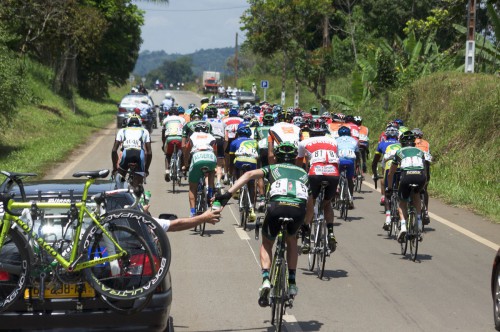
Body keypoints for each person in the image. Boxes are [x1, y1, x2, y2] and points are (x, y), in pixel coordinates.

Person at [215, 142, 309, 302]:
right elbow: (311, 204)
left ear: (276, 157)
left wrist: (227, 195)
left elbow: (248, 175)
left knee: (267, 243)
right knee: (292, 240)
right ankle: (292, 282)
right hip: (298, 209)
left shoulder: (272, 169)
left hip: (277, 207)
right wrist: (306, 224)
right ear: (295, 159)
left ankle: (266, 279)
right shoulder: (304, 173)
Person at [296, 118, 339, 253]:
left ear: (310, 132)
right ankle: (331, 232)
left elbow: (299, 165)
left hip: (315, 173)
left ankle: (307, 239)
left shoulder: (303, 142)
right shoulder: (333, 141)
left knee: (310, 205)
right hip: (333, 174)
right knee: (327, 204)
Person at [387, 131, 426, 242]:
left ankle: (403, 227)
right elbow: (425, 171)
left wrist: (389, 188)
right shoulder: (420, 151)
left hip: (407, 177)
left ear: (401, 142)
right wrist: (423, 186)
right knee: (416, 195)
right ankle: (418, 222)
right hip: (420, 177)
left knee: (402, 202)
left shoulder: (399, 152)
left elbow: (391, 173)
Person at [111, 114, 152, 197]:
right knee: (138, 187)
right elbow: (149, 152)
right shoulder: (145, 131)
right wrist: (146, 169)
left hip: (126, 154)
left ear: (128, 122)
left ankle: (120, 195)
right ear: (140, 122)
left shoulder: (122, 131)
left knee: (119, 179)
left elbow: (114, 150)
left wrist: (115, 169)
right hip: (139, 155)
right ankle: (138, 199)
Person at [184, 122, 217, 217]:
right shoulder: (211, 136)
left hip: (197, 157)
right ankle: (210, 191)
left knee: (192, 187)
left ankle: (192, 212)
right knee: (211, 170)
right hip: (210, 156)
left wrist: (185, 164)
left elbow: (186, 150)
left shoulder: (192, 136)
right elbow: (215, 152)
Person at [372, 125, 401, 229]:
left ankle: (388, 219)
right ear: (397, 135)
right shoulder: (401, 144)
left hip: (389, 168)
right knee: (400, 191)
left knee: (388, 193)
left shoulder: (382, 144)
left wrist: (375, 174)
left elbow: (375, 162)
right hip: (401, 168)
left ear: (386, 135)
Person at [229, 125, 259, 222]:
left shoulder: (234, 142)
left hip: (240, 161)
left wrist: (231, 172)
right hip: (252, 162)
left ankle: (237, 186)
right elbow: (257, 156)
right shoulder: (255, 142)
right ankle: (252, 209)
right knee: (251, 185)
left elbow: (231, 159)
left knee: (236, 166)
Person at [336, 126, 360, 209]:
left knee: (336, 176)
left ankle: (336, 190)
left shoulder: (335, 140)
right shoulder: (354, 140)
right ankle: (351, 198)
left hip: (340, 160)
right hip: (350, 160)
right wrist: (357, 165)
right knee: (350, 179)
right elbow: (357, 154)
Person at [254, 113, 274, 211]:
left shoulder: (258, 129)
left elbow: (255, 142)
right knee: (273, 171)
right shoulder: (275, 128)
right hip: (273, 150)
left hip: (262, 150)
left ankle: (261, 198)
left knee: (260, 174)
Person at [412, 128, 432, 224]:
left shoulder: (411, 143)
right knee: (424, 190)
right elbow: (429, 158)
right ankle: (426, 212)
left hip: (413, 169)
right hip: (425, 170)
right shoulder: (426, 143)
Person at [161, 106, 186, 182]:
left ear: (169, 113)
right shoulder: (182, 119)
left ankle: (167, 171)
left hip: (169, 139)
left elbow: (163, 134)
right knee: (182, 153)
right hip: (179, 138)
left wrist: (163, 144)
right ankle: (181, 169)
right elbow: (185, 132)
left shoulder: (165, 120)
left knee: (168, 155)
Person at [205, 105, 226, 189]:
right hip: (220, 141)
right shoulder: (222, 121)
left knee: (208, 164)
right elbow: (226, 138)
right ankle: (218, 182)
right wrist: (223, 149)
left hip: (210, 141)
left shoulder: (205, 121)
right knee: (219, 165)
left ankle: (207, 185)